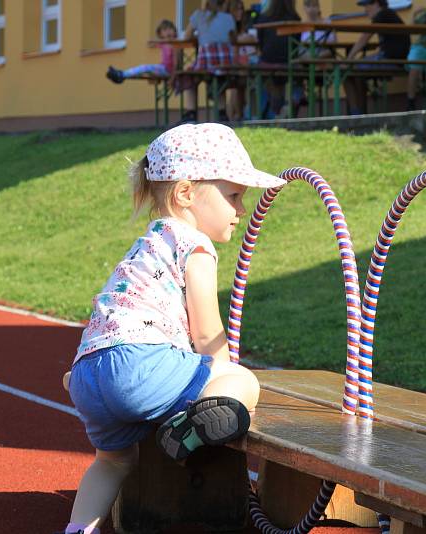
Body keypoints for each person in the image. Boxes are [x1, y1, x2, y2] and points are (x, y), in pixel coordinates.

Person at [59, 123, 285, 534]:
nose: (242, 208)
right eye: (233, 195)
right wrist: (224, 374)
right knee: (243, 382)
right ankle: (187, 432)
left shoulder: (150, 241)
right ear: (185, 193)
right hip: (140, 366)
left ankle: (78, 530)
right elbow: (205, 331)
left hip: (87, 374)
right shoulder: (195, 245)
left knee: (111, 462)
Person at [344, 0, 410, 115]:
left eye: (367, 5)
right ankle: (358, 113)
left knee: (347, 71)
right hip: (394, 60)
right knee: (356, 73)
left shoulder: (382, 14)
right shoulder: (388, 14)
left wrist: (349, 58)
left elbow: (364, 38)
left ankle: (357, 113)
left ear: (376, 3)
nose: (365, 10)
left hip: (391, 61)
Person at [176, 0, 238, 123]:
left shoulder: (199, 15)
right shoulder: (229, 18)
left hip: (207, 61)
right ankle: (222, 113)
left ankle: (191, 113)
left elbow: (187, 36)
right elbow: (234, 39)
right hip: (225, 63)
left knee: (189, 75)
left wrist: (200, 36)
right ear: (224, 4)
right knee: (219, 78)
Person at [254, 0, 302, 118]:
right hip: (288, 62)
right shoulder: (295, 18)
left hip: (268, 62)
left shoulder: (263, 17)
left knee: (269, 77)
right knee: (300, 73)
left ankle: (276, 110)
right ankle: (289, 106)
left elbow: (261, 43)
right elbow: (296, 44)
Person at [106, 20, 180, 84]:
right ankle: (120, 74)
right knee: (142, 70)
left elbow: (176, 64)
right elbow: (150, 43)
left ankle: (121, 75)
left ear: (175, 31)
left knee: (144, 67)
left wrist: (172, 78)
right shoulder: (163, 44)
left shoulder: (175, 45)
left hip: (168, 71)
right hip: (163, 68)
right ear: (161, 34)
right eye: (165, 29)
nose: (168, 31)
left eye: (170, 28)